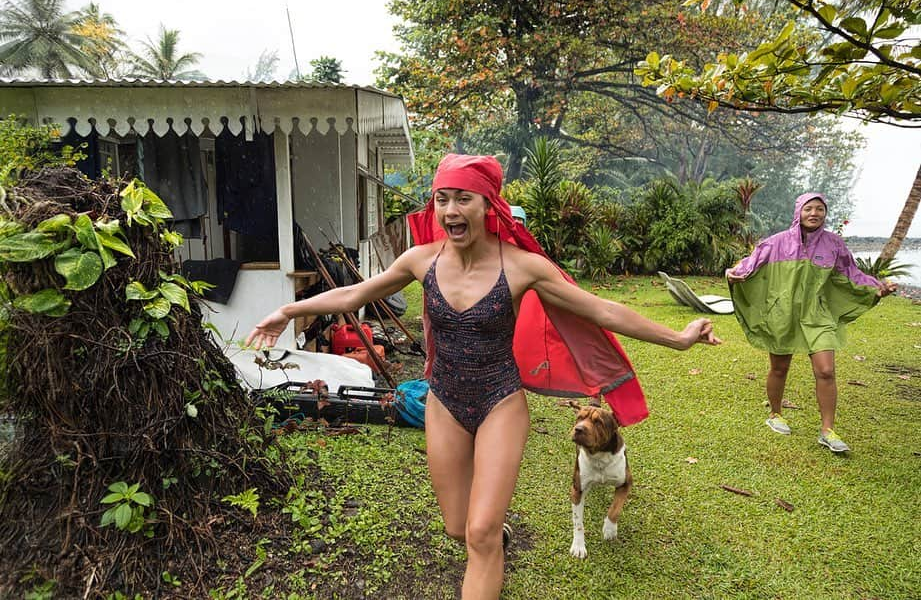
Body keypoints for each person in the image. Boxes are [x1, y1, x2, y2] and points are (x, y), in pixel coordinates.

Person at [246, 154, 720, 600]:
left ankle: (491, 539)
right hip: (444, 403)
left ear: (487, 203)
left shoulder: (521, 267)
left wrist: (678, 338)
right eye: (442, 198)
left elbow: (603, 309)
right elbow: (353, 293)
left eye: (463, 198)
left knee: (480, 533)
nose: (450, 210)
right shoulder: (421, 260)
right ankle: (497, 537)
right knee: (458, 527)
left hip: (500, 402)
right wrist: (287, 309)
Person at [726, 192, 897, 453]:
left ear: (825, 214)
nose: (814, 213)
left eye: (820, 209)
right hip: (782, 313)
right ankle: (775, 413)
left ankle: (827, 430)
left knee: (826, 370)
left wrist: (877, 287)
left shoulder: (834, 244)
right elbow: (751, 264)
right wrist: (735, 273)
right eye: (809, 208)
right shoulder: (776, 243)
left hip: (817, 315)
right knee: (780, 368)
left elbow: (851, 274)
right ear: (798, 212)